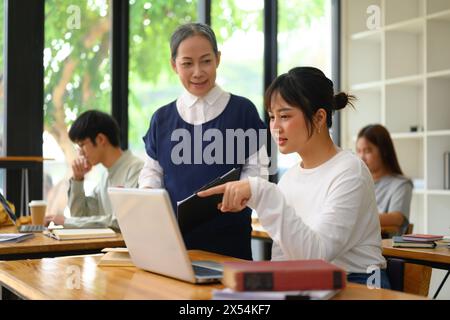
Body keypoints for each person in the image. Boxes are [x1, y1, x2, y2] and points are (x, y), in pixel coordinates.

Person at [198, 66, 390, 288]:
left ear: (319, 118)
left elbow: (317, 255)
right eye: (272, 117)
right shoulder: (291, 178)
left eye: (285, 116)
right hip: (311, 282)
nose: (275, 127)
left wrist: (262, 192)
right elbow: (283, 257)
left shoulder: (350, 172)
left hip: (359, 285)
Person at [138, 22, 268, 260]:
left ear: (218, 59)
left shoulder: (243, 111)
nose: (198, 72)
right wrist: (148, 195)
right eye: (187, 63)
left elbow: (258, 169)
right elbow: (152, 172)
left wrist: (243, 189)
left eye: (206, 61)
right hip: (173, 244)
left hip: (230, 242)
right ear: (174, 65)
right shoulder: (162, 119)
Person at [45, 110, 144, 230]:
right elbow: (80, 216)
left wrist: (68, 221)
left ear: (101, 139)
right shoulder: (106, 176)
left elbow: (121, 221)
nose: (80, 153)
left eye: (82, 145)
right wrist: (78, 179)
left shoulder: (136, 169)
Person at [356, 124, 413, 236]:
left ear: (384, 151)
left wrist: (356, 218)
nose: (361, 157)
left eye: (367, 151)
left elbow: (397, 218)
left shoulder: (401, 184)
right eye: (358, 151)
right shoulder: (357, 182)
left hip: (384, 247)